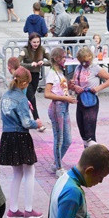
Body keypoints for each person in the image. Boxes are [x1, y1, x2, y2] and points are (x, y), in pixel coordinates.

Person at [0, 67, 44, 218]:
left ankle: (13, 209)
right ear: (24, 83)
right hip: (20, 136)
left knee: (17, 173)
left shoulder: (5, 96)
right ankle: (29, 210)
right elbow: (26, 122)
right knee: (30, 171)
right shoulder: (21, 99)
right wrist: (36, 123)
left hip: (7, 135)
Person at [70, 46, 109, 147]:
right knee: (82, 131)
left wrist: (98, 88)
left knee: (89, 132)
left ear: (91, 58)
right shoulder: (78, 68)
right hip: (80, 100)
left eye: (86, 61)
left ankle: (93, 156)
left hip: (91, 101)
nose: (84, 64)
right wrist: (74, 86)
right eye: (81, 61)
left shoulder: (96, 68)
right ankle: (87, 155)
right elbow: (72, 85)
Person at [44, 47, 76, 177]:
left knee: (67, 140)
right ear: (57, 59)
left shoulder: (60, 72)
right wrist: (64, 98)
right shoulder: (52, 73)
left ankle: (56, 162)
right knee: (59, 138)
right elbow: (47, 93)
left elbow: (61, 88)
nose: (65, 60)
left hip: (65, 107)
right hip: (57, 107)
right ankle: (58, 166)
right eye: (63, 57)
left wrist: (70, 85)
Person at [20, 34, 49, 125]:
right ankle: (37, 119)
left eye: (38, 42)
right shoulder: (25, 50)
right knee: (31, 98)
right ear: (30, 42)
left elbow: (52, 60)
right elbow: (18, 62)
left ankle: (24, 117)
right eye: (34, 42)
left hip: (36, 76)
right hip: (26, 76)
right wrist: (30, 65)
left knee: (28, 98)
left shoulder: (42, 50)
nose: (36, 44)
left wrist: (43, 62)